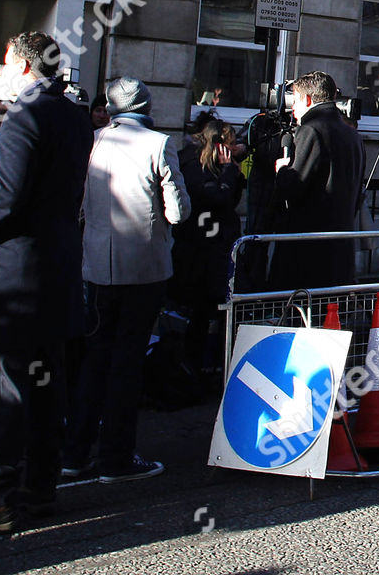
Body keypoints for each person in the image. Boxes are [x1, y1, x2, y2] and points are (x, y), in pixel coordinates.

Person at [0, 33, 93, 535]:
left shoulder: (25, 118)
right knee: (44, 387)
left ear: (19, 65)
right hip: (56, 269)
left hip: (14, 275)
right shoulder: (70, 115)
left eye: (5, 62)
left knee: (6, 390)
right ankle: (39, 490)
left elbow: (2, 202)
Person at [66, 77, 189, 483]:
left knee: (95, 358)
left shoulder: (97, 139)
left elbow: (82, 202)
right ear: (146, 104)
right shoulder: (158, 143)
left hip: (99, 265)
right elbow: (177, 211)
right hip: (144, 268)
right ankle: (117, 456)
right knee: (128, 361)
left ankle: (76, 451)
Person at [268, 71, 366, 290]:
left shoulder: (311, 130)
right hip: (341, 245)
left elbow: (294, 186)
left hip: (308, 249)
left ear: (308, 100)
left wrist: (283, 171)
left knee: (303, 317)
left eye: (295, 100)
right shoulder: (352, 135)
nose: (292, 109)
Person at [173, 114, 245, 379]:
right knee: (201, 312)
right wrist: (228, 172)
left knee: (214, 311)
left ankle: (210, 365)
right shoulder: (194, 166)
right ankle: (194, 367)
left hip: (214, 247)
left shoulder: (212, 167)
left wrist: (234, 171)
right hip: (201, 251)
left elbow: (231, 198)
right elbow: (218, 198)